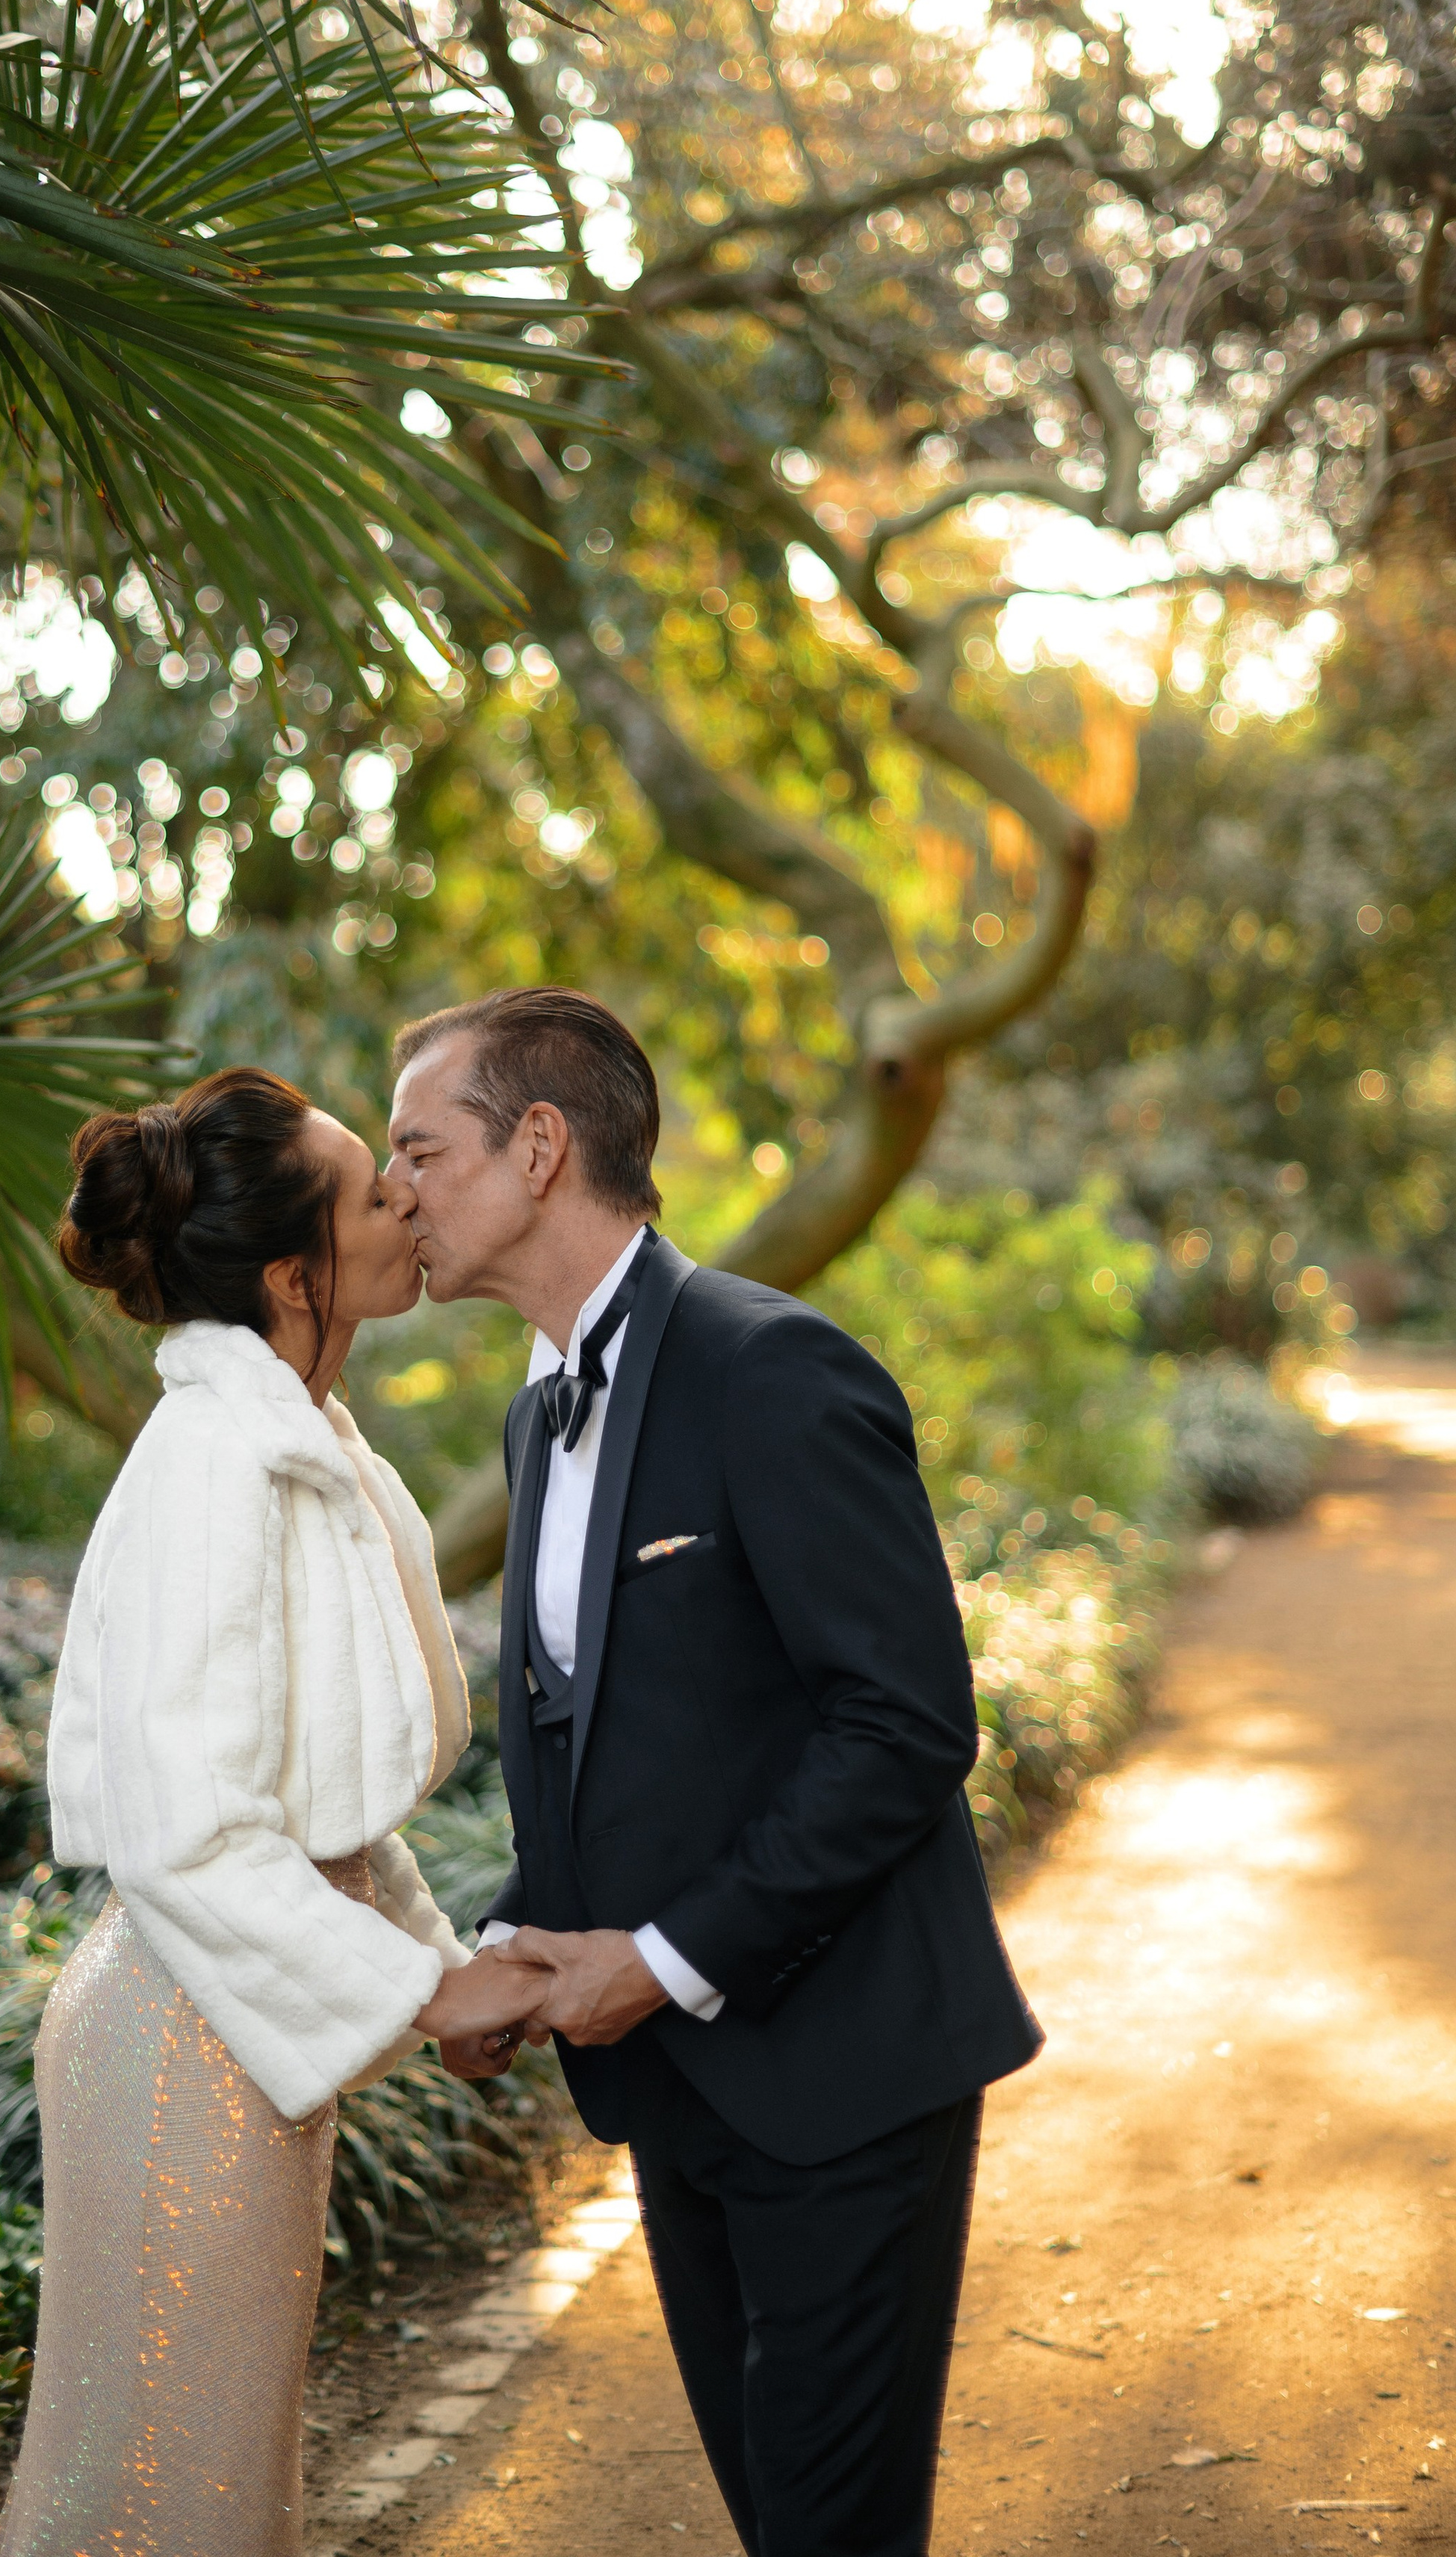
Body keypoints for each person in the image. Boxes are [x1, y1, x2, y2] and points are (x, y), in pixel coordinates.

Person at [385, 990, 1044, 2557]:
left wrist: (664, 1960)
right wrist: (514, 1949)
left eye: (419, 1147)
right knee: (779, 2520)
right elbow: (613, 1752)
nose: (394, 1187)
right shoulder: (532, 1419)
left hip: (845, 2078)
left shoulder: (774, 1368)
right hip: (672, 2087)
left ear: (537, 1146)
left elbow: (899, 1725)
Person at [0, 1066, 545, 2557]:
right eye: (375, 1188)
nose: (407, 1200)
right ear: (297, 1267)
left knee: (215, 2492)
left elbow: (323, 1809)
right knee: (169, 2505)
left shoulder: (310, 1447)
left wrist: (443, 1971)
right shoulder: (216, 1465)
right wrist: (427, 1989)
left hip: (235, 2032)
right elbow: (187, 1828)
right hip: (178, 2044)